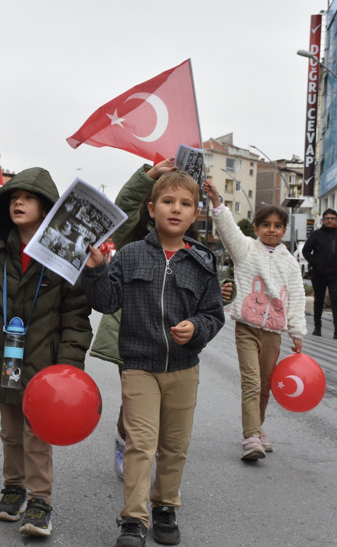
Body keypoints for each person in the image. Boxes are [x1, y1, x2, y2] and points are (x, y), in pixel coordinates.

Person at [81, 170, 225, 547]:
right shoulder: (130, 255)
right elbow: (106, 302)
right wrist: (95, 271)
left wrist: (196, 328)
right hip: (139, 367)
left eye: (185, 204)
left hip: (183, 368)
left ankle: (165, 506)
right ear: (151, 208)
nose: (175, 209)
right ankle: (133, 520)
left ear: (196, 214)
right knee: (141, 444)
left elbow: (214, 314)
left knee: (174, 445)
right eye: (167, 202)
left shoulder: (204, 261)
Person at [0, 168, 93, 538]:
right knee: (10, 432)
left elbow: (76, 315)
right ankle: (13, 487)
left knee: (37, 435)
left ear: (47, 208)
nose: (19, 202)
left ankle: (40, 501)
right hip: (8, 358)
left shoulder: (64, 255)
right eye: (13, 198)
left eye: (29, 197)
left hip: (47, 365)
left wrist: (68, 369)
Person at [203, 179, 306, 459]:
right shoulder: (246, 249)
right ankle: (250, 437)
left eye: (277, 226)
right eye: (266, 225)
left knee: (265, 385)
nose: (271, 230)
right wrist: (216, 200)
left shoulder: (290, 263)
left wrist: (296, 331)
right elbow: (228, 230)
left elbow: (296, 296)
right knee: (251, 382)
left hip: (274, 332)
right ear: (257, 228)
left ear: (284, 231)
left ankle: (258, 428)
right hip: (246, 328)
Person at [302, 209, 337, 339]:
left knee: (336, 299)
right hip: (319, 273)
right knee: (319, 300)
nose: (330, 220)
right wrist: (315, 263)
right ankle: (317, 328)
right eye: (327, 218)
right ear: (323, 220)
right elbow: (306, 250)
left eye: (332, 218)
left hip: (335, 274)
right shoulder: (316, 235)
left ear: (336, 220)